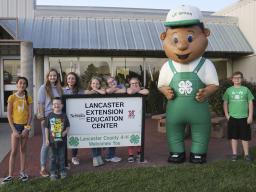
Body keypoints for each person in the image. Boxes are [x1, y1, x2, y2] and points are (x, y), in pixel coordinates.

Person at [158, 5, 219, 164]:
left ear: (205, 34)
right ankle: (176, 152)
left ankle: (198, 153)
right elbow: (161, 85)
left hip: (198, 109)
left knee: (201, 130)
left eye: (190, 38)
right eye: (175, 39)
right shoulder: (167, 66)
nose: (182, 45)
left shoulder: (205, 64)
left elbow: (214, 84)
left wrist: (206, 92)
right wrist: (165, 91)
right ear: (164, 37)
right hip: (175, 110)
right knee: (173, 130)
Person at [1, 77, 32, 184]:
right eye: (20, 83)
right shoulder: (11, 97)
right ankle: (10, 175)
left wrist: (26, 129)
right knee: (14, 151)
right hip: (15, 127)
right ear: (17, 85)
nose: (22, 85)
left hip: (24, 128)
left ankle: (22, 172)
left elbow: (30, 115)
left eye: (24, 83)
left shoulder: (28, 98)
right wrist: (14, 130)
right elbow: (9, 115)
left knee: (23, 150)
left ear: (26, 86)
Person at [223, 71, 254, 162]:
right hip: (233, 117)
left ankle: (247, 154)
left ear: (242, 79)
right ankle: (234, 154)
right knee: (234, 137)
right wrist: (227, 115)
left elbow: (250, 102)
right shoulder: (229, 90)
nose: (237, 79)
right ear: (232, 79)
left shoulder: (245, 89)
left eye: (239, 77)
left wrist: (250, 115)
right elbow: (225, 103)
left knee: (245, 137)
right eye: (235, 78)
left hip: (244, 117)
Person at [37, 68, 63, 177]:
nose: (53, 77)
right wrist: (42, 118)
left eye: (55, 76)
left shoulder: (59, 88)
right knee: (46, 143)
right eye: (51, 75)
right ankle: (43, 167)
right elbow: (40, 104)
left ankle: (55, 165)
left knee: (56, 142)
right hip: (48, 117)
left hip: (58, 117)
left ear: (57, 77)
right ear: (47, 77)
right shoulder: (43, 88)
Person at [45, 97, 70, 180]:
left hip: (62, 141)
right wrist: (47, 139)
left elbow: (68, 127)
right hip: (52, 142)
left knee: (62, 157)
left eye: (58, 104)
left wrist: (65, 132)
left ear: (62, 105)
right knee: (52, 157)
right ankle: (53, 172)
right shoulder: (49, 115)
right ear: (52, 106)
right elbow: (46, 128)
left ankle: (62, 171)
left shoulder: (64, 115)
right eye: (54, 104)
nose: (56, 105)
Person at [85, 76, 106, 166]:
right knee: (93, 138)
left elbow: (104, 92)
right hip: (91, 119)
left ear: (100, 84)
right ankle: (95, 157)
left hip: (100, 118)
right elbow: (87, 93)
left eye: (97, 83)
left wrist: (96, 90)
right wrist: (94, 90)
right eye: (93, 83)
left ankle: (99, 156)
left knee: (100, 137)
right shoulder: (87, 91)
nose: (95, 85)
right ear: (90, 84)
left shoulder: (101, 90)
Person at [127, 77, 149, 162]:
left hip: (139, 116)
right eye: (132, 83)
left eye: (136, 83)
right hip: (130, 116)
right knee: (131, 136)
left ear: (139, 83)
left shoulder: (142, 89)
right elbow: (130, 92)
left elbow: (146, 92)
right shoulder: (129, 89)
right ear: (130, 84)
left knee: (139, 135)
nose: (134, 85)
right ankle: (131, 154)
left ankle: (139, 153)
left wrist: (137, 90)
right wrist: (138, 90)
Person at [104, 76, 125, 163]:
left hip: (118, 113)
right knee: (110, 135)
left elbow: (124, 91)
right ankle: (110, 156)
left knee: (115, 135)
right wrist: (116, 89)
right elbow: (108, 91)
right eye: (110, 82)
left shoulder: (121, 85)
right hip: (109, 114)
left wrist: (114, 89)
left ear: (116, 80)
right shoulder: (108, 88)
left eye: (113, 81)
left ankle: (110, 155)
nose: (112, 83)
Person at [63, 72, 82, 165]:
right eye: (69, 78)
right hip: (64, 117)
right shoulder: (62, 90)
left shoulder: (80, 91)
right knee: (63, 137)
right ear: (66, 80)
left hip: (76, 118)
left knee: (75, 136)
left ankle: (74, 157)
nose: (71, 80)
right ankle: (64, 158)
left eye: (73, 78)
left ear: (76, 80)